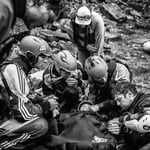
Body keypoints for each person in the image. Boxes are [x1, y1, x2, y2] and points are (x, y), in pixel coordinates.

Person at [0, 35, 59, 148]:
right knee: (40, 125)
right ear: (30, 56)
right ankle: (4, 144)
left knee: (45, 113)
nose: (46, 60)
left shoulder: (18, 67)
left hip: (6, 114)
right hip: (3, 120)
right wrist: (47, 105)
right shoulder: (14, 71)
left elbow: (26, 95)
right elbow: (22, 114)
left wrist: (43, 99)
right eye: (42, 56)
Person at [107, 82, 150, 150]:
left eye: (119, 99)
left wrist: (121, 120)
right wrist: (118, 129)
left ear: (130, 94)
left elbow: (145, 120)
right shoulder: (130, 108)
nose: (118, 104)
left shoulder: (146, 101)